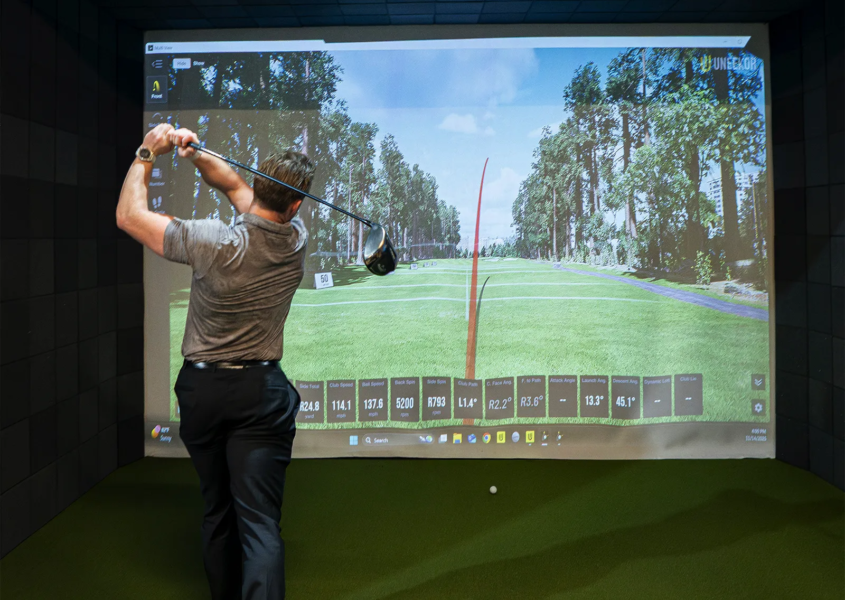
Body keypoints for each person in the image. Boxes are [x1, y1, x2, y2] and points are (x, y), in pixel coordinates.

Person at [116, 123, 312, 600]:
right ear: (296, 204)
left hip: (202, 393)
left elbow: (129, 215)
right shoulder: (295, 240)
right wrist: (197, 153)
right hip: (262, 395)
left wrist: (149, 151)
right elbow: (236, 187)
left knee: (217, 509)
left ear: (261, 183)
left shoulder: (212, 241)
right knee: (260, 524)